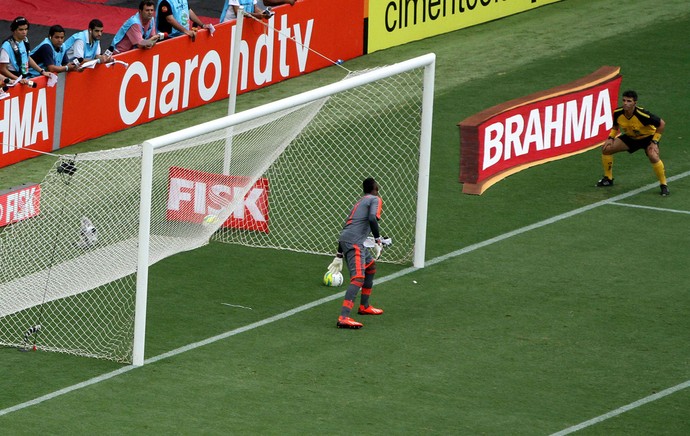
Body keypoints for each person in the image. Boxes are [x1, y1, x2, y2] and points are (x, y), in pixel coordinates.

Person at [327, 177, 392, 329]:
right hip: (355, 243)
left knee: (370, 267)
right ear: (375, 187)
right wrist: (377, 240)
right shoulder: (375, 199)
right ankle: (343, 317)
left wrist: (339, 255)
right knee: (358, 278)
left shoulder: (360, 202)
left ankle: (364, 306)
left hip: (348, 240)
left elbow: (347, 228)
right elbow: (371, 218)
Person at [596, 90, 669, 196]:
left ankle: (663, 185)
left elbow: (661, 124)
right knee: (606, 149)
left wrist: (654, 141)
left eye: (629, 101)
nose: (626, 103)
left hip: (647, 138)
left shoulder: (643, 115)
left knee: (653, 156)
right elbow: (615, 126)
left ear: (635, 103)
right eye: (624, 100)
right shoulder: (618, 113)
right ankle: (608, 179)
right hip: (631, 138)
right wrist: (611, 137)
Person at [0, 17, 51, 84]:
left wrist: (42, 71)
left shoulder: (25, 40)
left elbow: (27, 58)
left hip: (23, 79)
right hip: (13, 81)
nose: (24, 32)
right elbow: (2, 69)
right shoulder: (6, 46)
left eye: (26, 29)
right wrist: (17, 79)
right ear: (14, 30)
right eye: (21, 30)